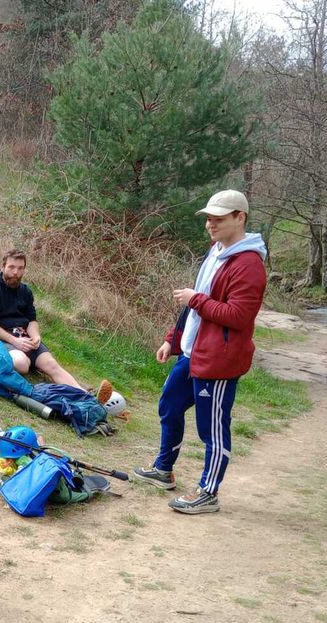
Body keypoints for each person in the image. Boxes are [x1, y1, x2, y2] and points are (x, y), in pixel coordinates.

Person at [134, 190, 267, 514]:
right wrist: (173, 340)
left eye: (218, 218)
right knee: (169, 405)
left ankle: (208, 492)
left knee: (212, 430)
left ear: (240, 218)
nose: (210, 224)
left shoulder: (249, 264)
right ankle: (164, 470)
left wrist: (195, 299)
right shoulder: (216, 251)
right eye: (208, 218)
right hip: (193, 352)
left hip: (219, 361)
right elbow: (194, 308)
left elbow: (238, 316)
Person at [0, 249, 89, 389]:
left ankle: (85, 395)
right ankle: (25, 361)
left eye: (20, 268)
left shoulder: (26, 291)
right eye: (11, 267)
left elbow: (31, 319)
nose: (15, 272)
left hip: (25, 338)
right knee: (22, 364)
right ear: (3, 267)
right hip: (1, 339)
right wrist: (15, 341)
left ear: (24, 269)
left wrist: (35, 336)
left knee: (51, 365)